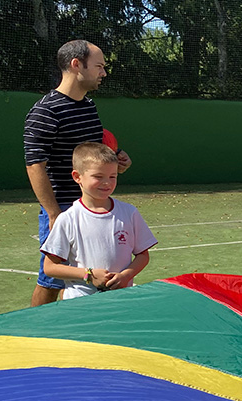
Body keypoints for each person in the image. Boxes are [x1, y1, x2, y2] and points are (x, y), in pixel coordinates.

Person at [24, 39, 132, 306]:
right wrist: (53, 213)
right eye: (99, 66)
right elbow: (34, 165)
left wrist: (117, 161)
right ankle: (34, 333)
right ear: (76, 65)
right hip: (62, 206)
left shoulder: (89, 107)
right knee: (50, 280)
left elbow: (94, 154)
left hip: (93, 206)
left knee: (81, 277)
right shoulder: (45, 111)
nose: (103, 73)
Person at [41, 142, 155, 299]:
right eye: (98, 177)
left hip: (122, 298)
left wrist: (125, 276)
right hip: (81, 302)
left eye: (112, 176)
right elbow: (50, 267)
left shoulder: (129, 213)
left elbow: (143, 255)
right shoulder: (68, 219)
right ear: (77, 177)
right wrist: (89, 275)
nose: (107, 182)